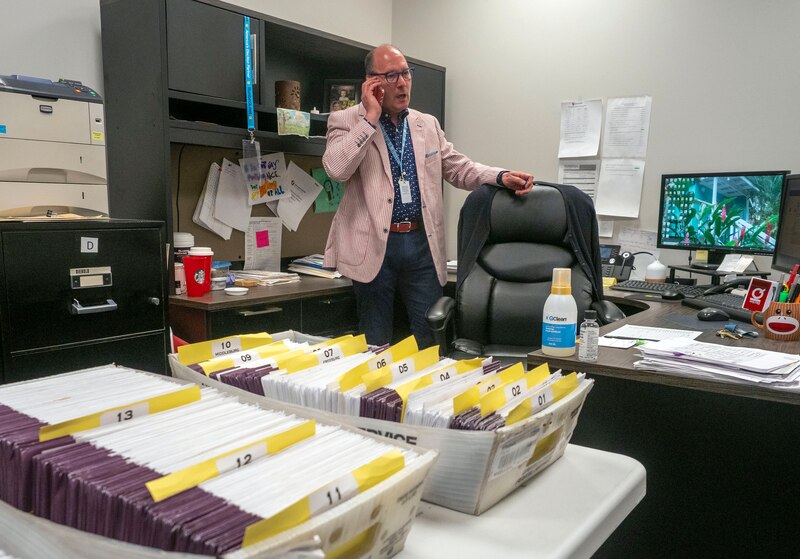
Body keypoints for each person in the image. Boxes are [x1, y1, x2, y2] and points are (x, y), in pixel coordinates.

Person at [322, 44, 534, 348]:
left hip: (421, 244)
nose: (402, 83)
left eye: (405, 73)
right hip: (372, 246)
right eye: (391, 76)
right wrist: (370, 118)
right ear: (371, 82)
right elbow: (336, 169)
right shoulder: (345, 120)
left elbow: (459, 168)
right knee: (374, 343)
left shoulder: (426, 124)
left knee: (431, 339)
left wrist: (500, 176)